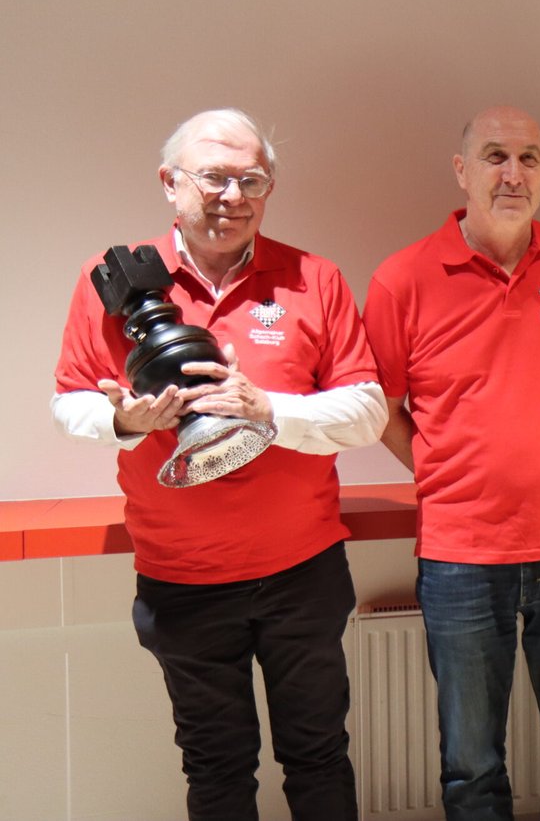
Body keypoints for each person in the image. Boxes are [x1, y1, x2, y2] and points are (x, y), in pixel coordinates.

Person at [52, 108, 387, 821]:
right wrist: (126, 421)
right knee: (217, 768)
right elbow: (69, 403)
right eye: (213, 177)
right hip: (182, 579)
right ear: (170, 183)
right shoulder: (112, 279)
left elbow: (367, 413)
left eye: (251, 180)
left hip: (302, 572)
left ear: (268, 190)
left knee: (319, 755)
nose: (232, 196)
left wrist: (266, 407)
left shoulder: (314, 278)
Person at [363, 107, 540, 821]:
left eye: (529, 158)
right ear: (461, 171)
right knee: (471, 766)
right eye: (495, 156)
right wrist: (437, 468)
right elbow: (377, 404)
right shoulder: (402, 278)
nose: (513, 173)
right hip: (461, 554)